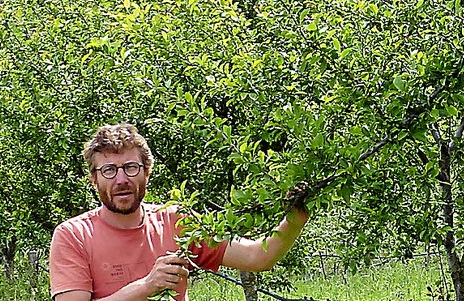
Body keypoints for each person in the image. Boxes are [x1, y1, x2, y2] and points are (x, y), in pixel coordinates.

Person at [49, 123, 310, 300]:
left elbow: (257, 257)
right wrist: (147, 286)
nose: (121, 180)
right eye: (108, 170)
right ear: (94, 180)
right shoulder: (73, 236)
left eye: (130, 167)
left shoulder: (176, 220)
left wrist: (295, 219)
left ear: (147, 173)